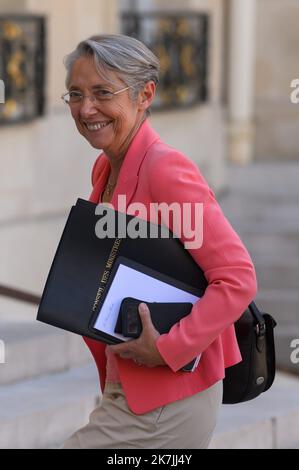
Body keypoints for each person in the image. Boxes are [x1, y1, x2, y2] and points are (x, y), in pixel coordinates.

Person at [61, 34, 257, 449]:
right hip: (129, 386)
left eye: (101, 93)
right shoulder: (105, 168)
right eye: (75, 94)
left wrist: (170, 347)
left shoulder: (165, 169)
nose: (86, 108)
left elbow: (237, 278)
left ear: (144, 94)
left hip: (170, 397)